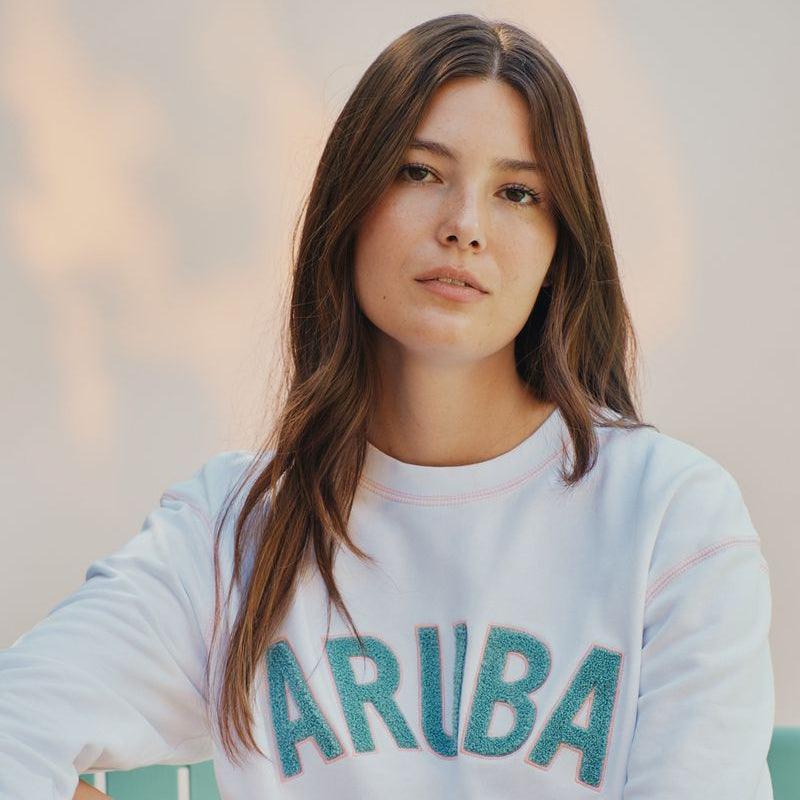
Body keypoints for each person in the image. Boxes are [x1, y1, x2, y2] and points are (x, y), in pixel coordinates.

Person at [0, 12, 774, 800]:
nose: (465, 227)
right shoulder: (232, 531)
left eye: (517, 192)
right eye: (419, 172)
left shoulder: (670, 520)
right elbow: (13, 728)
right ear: (351, 204)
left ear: (558, 250)